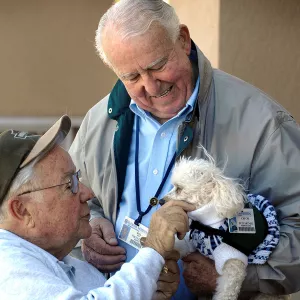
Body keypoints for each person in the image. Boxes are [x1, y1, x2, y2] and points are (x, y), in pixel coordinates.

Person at [69, 0, 300, 299]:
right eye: (132, 77)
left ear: (183, 39)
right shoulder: (98, 122)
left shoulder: (263, 122)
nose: (151, 87)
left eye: (157, 66)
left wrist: (236, 276)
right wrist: (87, 229)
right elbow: (72, 200)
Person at [0, 115, 195, 300]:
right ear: (22, 210)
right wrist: (154, 250)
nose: (88, 193)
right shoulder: (6, 265)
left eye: (78, 177)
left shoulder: (73, 267)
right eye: (70, 184)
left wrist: (148, 289)